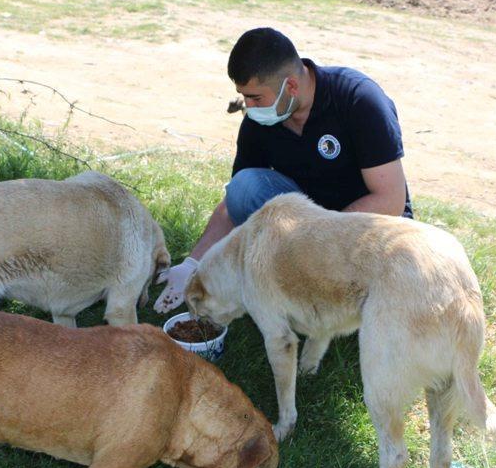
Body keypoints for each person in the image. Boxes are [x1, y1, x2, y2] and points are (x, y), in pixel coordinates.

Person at [155, 27, 413, 313]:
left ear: (291, 87)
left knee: (372, 299)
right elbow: (234, 204)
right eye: (243, 96)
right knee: (245, 186)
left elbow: (390, 200)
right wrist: (193, 264)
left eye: (256, 98)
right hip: (308, 231)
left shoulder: (358, 99)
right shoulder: (258, 122)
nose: (249, 108)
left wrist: (318, 238)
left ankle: (327, 287)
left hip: (367, 231)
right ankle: (303, 283)